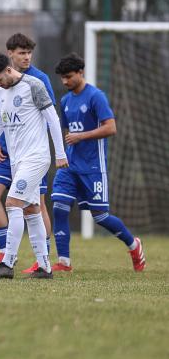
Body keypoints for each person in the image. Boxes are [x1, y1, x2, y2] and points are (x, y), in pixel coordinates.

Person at [0, 52, 67, 279]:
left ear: (7, 69)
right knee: (31, 210)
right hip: (17, 161)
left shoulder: (34, 85)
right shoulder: (0, 92)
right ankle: (45, 267)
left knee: (12, 203)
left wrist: (60, 154)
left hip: (36, 158)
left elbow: (53, 119)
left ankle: (7, 263)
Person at [50, 54, 145, 272]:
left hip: (93, 167)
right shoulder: (65, 101)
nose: (64, 82)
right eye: (62, 78)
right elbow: (66, 132)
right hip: (69, 166)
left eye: (69, 77)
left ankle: (134, 245)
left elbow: (111, 128)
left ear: (81, 72)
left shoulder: (96, 96)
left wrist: (81, 136)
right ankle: (64, 262)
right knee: (59, 208)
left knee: (100, 217)